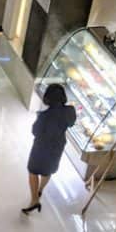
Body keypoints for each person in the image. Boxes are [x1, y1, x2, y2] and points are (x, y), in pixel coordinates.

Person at [24, 83, 76, 214]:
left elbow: (35, 131)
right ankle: (40, 189)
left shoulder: (44, 116)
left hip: (41, 146)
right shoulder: (70, 111)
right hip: (58, 145)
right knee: (48, 170)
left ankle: (34, 200)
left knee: (33, 171)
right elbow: (71, 123)